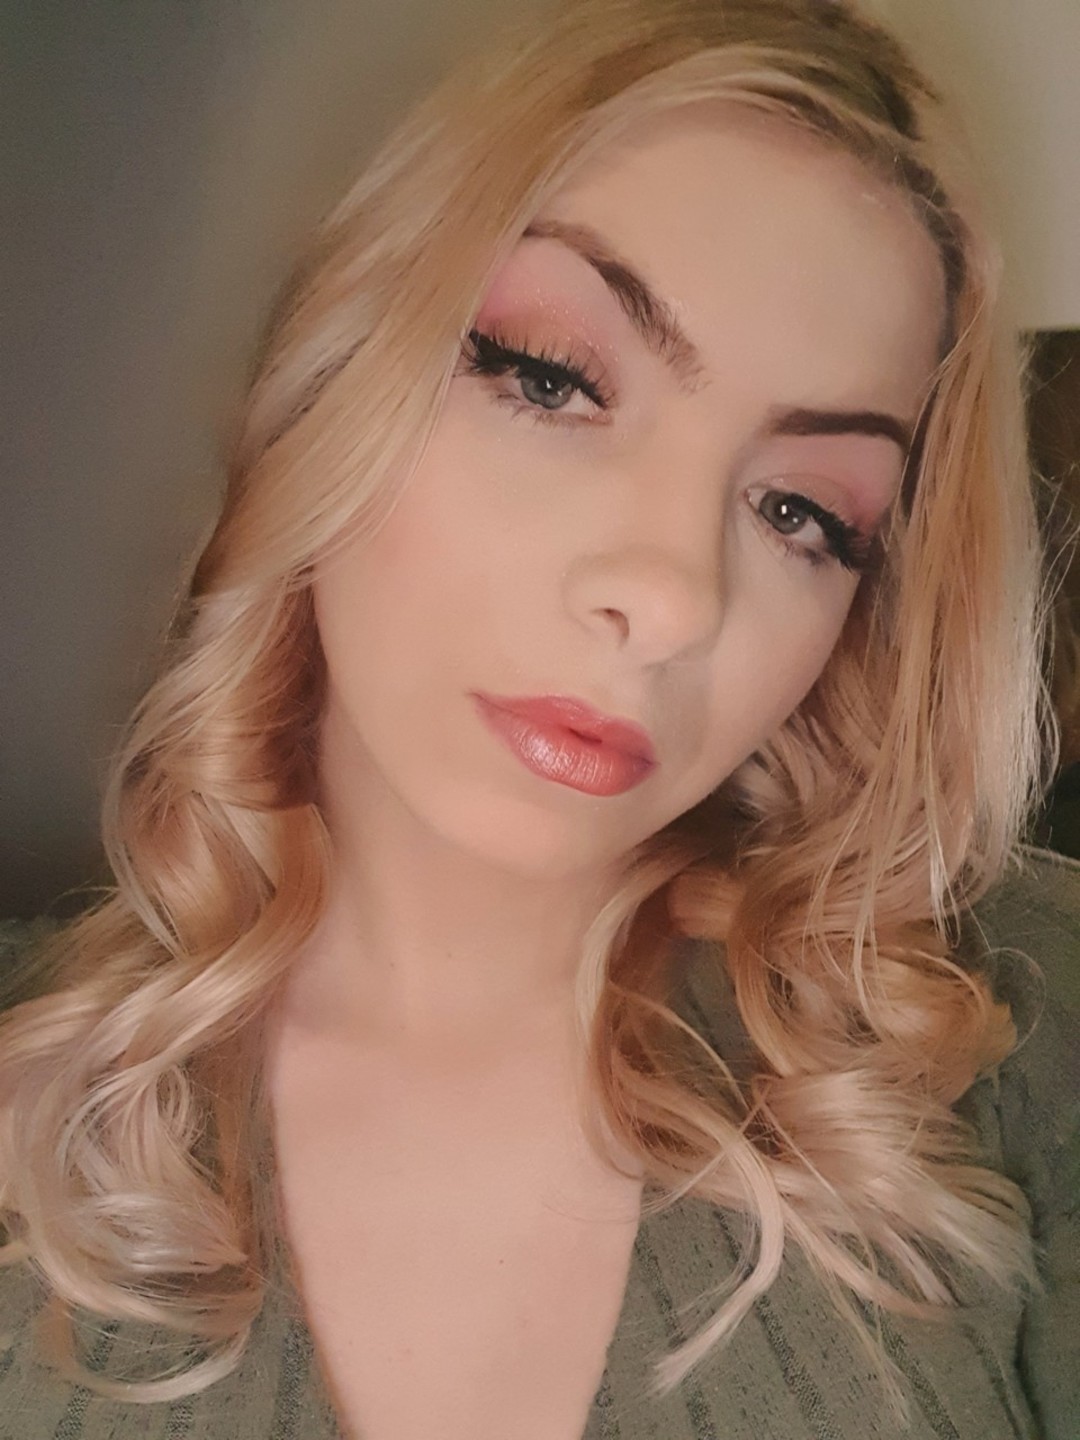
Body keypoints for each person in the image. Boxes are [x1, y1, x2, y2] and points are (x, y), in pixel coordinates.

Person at [0, 0, 1076, 1436]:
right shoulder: (36, 1084)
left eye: (802, 513)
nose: (674, 595)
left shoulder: (1006, 1023)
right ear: (336, 373)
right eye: (551, 379)